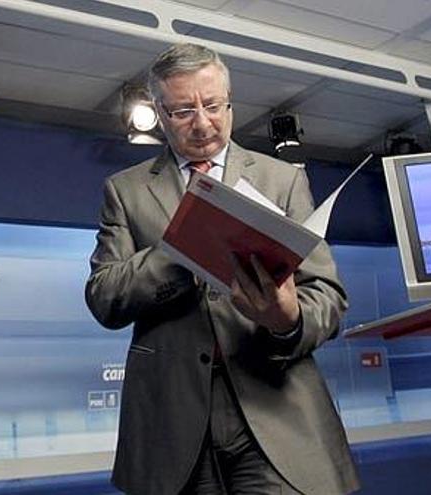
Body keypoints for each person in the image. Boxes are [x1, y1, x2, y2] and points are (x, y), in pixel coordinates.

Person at [85, 43, 359, 494]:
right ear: (158, 110)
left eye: (213, 106)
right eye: (183, 111)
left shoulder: (283, 179)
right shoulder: (125, 191)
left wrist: (287, 320)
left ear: (229, 102)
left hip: (277, 409)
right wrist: (181, 248)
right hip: (172, 423)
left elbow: (328, 295)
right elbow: (104, 297)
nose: (203, 123)